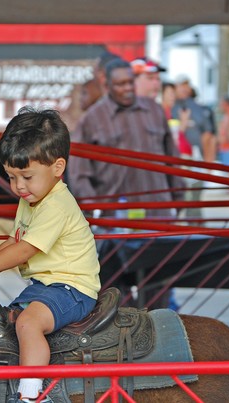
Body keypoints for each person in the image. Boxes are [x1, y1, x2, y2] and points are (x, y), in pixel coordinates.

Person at [0, 107, 100, 403]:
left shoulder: (56, 205)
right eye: (11, 177)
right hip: (45, 286)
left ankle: (31, 396)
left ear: (57, 168)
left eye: (26, 176)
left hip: (72, 288)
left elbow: (25, 249)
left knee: (28, 323)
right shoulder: (32, 198)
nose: (19, 186)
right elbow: (14, 239)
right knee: (7, 321)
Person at [70, 58, 183, 308]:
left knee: (159, 286)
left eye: (130, 82)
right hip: (115, 220)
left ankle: (159, 337)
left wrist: (178, 199)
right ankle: (128, 340)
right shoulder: (92, 119)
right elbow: (78, 172)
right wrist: (95, 210)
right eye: (120, 84)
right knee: (114, 289)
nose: (128, 88)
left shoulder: (154, 110)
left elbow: (171, 158)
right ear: (107, 85)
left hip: (157, 214)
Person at [171, 75, 216, 163]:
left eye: (186, 85)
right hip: (176, 156)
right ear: (175, 88)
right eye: (181, 85)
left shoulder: (199, 108)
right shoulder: (169, 106)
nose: (184, 88)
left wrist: (208, 164)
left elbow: (209, 135)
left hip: (197, 157)